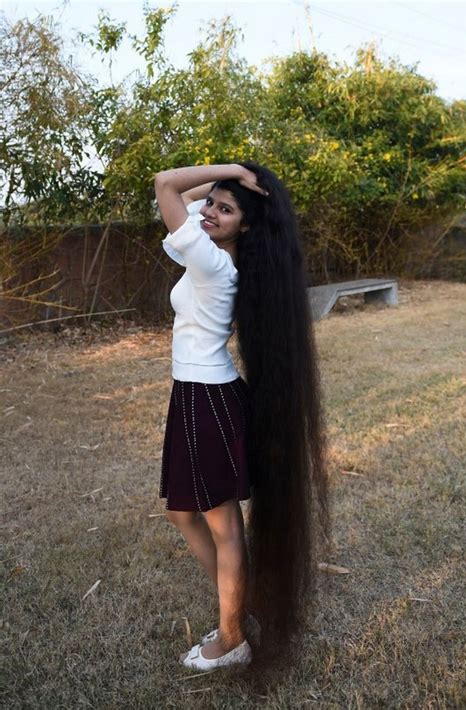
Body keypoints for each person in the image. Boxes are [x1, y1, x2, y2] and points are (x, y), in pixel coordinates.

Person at [154, 162, 330, 672]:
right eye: (212, 203)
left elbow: (167, 184)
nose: (208, 211)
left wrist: (236, 169)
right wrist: (239, 190)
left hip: (205, 398)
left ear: (245, 226)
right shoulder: (216, 253)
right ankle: (239, 605)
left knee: (222, 525)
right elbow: (185, 202)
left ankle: (232, 637)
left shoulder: (211, 264)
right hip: (196, 393)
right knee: (182, 512)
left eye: (224, 209)